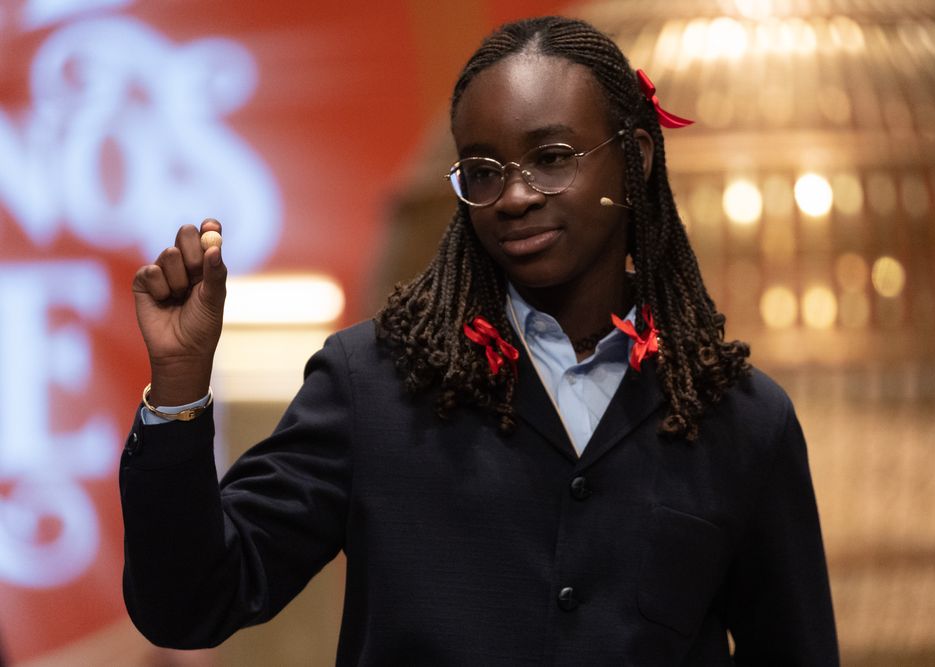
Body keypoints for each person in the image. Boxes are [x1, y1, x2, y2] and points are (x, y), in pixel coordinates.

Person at [121, 15, 839, 666]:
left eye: (552, 157)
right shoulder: (370, 385)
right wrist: (179, 384)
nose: (516, 195)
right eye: (485, 172)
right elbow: (190, 603)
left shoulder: (741, 418)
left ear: (638, 157)